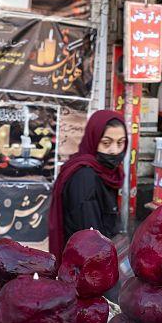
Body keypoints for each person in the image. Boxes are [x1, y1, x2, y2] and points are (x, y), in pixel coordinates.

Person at [47, 110, 125, 259]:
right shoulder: (85, 178)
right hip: (87, 269)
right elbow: (92, 242)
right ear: (94, 140)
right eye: (106, 143)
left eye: (120, 143)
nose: (114, 150)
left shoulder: (105, 172)